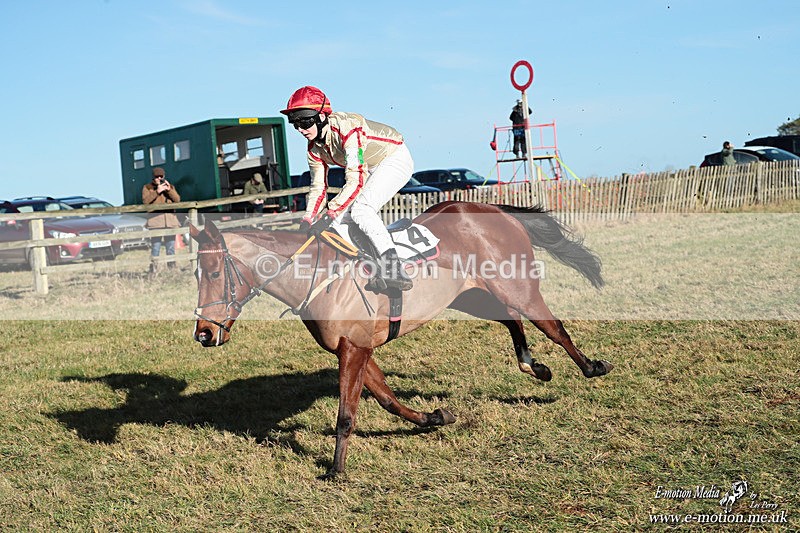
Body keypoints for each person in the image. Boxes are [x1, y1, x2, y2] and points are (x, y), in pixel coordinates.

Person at [280, 85, 413, 291]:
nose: (300, 128)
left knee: (362, 210)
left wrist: (330, 213)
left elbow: (355, 179)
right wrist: (308, 219)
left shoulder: (348, 129)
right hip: (369, 167)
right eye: (294, 123)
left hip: (394, 158)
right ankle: (371, 266)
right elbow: (318, 187)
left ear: (322, 116)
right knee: (339, 223)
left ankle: (396, 270)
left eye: (304, 121)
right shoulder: (313, 148)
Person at [142, 167, 181, 273]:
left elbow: (177, 200)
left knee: (171, 248)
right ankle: (153, 270)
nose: (159, 178)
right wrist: (157, 192)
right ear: (153, 177)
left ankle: (172, 270)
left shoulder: (170, 186)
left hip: (170, 222)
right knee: (155, 248)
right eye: (156, 177)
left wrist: (169, 191)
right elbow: (146, 202)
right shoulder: (147, 187)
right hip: (156, 223)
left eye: (161, 176)